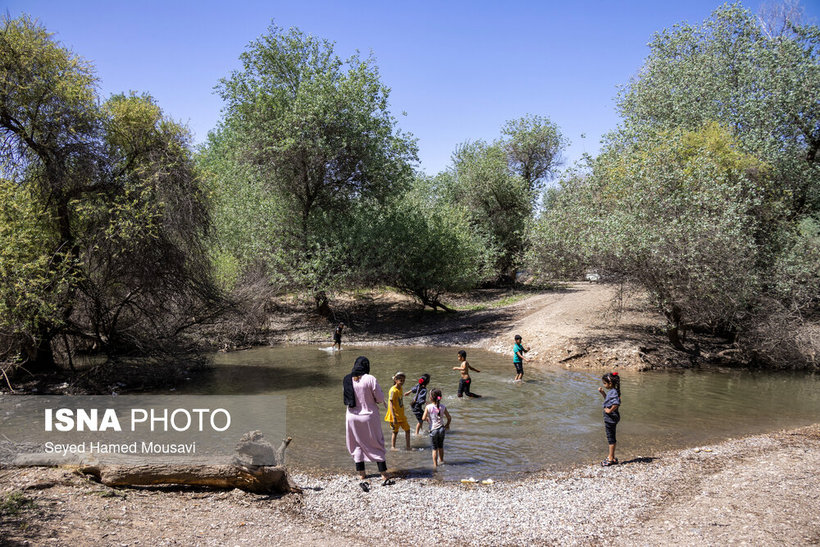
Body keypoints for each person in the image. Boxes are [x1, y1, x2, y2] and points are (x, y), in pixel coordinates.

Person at [343, 356, 389, 481]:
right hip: (368, 416)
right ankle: (383, 474)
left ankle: (362, 474)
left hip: (352, 416)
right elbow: (379, 399)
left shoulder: (347, 379)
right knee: (376, 442)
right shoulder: (370, 378)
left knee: (356, 443)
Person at [421, 388, 451, 468]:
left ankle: (435, 465)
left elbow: (423, 418)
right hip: (441, 429)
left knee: (434, 449)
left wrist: (428, 419)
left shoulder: (428, 407)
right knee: (441, 446)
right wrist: (447, 425)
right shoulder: (443, 407)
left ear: (430, 398)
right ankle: (441, 461)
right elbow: (449, 417)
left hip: (433, 430)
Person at [598, 371, 621, 466]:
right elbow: (609, 401)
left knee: (610, 438)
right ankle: (612, 456)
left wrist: (609, 411)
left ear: (610, 383)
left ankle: (611, 458)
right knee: (611, 437)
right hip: (611, 418)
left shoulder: (614, 392)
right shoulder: (612, 392)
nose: (604, 385)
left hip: (611, 419)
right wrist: (603, 393)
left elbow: (616, 403)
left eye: (604, 383)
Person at [385, 372, 411, 450]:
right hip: (394, 416)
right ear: (396, 380)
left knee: (407, 430)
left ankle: (408, 446)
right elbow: (390, 404)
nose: (402, 382)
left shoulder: (401, 388)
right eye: (401, 380)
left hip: (401, 415)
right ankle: (393, 447)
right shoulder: (393, 390)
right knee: (395, 432)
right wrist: (393, 416)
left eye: (403, 380)